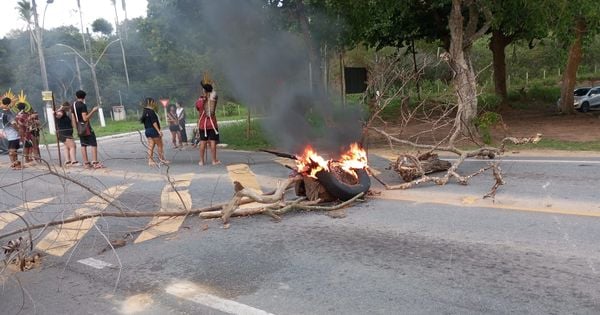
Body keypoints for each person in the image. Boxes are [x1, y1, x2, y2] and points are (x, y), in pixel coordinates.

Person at [72, 90, 103, 169]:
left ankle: (86, 163)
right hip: (86, 127)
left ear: (76, 96)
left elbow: (73, 118)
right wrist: (93, 111)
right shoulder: (83, 105)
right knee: (93, 144)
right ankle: (95, 162)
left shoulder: (74, 105)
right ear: (84, 97)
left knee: (83, 145)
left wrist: (76, 128)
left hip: (79, 127)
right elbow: (85, 118)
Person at [196, 83, 220, 166]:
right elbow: (214, 93)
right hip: (212, 123)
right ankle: (214, 161)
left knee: (203, 142)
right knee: (213, 142)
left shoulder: (199, 101)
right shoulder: (213, 99)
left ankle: (201, 161)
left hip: (203, 125)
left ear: (204, 91)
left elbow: (198, 108)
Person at [140, 98, 169, 166]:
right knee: (160, 145)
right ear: (150, 102)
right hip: (154, 130)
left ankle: (150, 161)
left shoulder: (145, 111)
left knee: (150, 146)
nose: (154, 103)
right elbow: (154, 122)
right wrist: (159, 131)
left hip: (147, 131)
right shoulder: (151, 111)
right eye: (153, 102)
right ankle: (162, 160)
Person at [0, 97, 21, 169]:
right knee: (12, 150)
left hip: (13, 135)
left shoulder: (7, 113)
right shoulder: (4, 112)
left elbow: (14, 124)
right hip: (10, 135)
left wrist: (18, 130)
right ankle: (15, 163)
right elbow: (14, 124)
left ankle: (15, 164)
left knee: (12, 151)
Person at [55, 102, 78, 166]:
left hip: (63, 133)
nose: (70, 108)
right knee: (72, 146)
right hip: (65, 133)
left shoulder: (65, 113)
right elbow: (57, 115)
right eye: (69, 107)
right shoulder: (62, 112)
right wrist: (61, 108)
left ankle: (67, 161)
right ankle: (73, 161)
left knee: (66, 147)